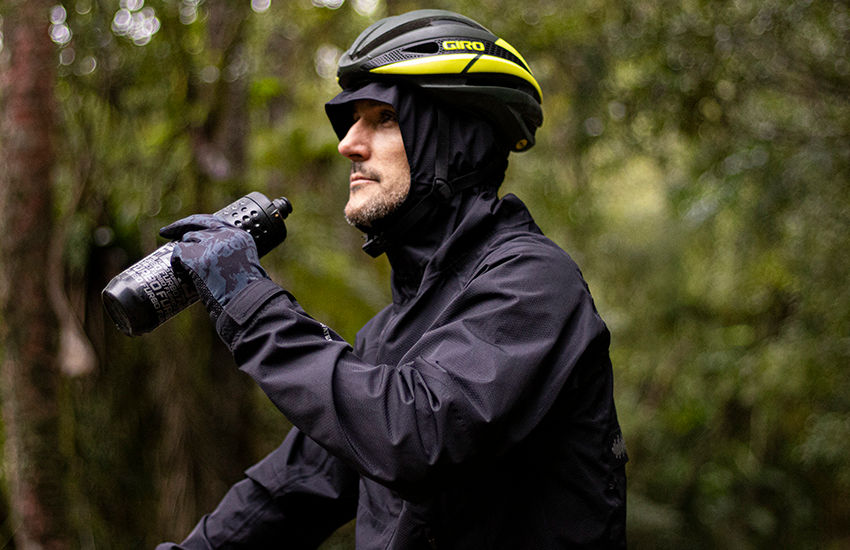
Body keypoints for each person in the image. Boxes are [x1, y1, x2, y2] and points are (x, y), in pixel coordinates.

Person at [156, 9, 627, 549]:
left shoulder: (535, 283)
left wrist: (250, 301)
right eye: (353, 120)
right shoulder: (390, 332)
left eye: (383, 118)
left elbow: (414, 435)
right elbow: (290, 489)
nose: (348, 144)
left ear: (457, 139)